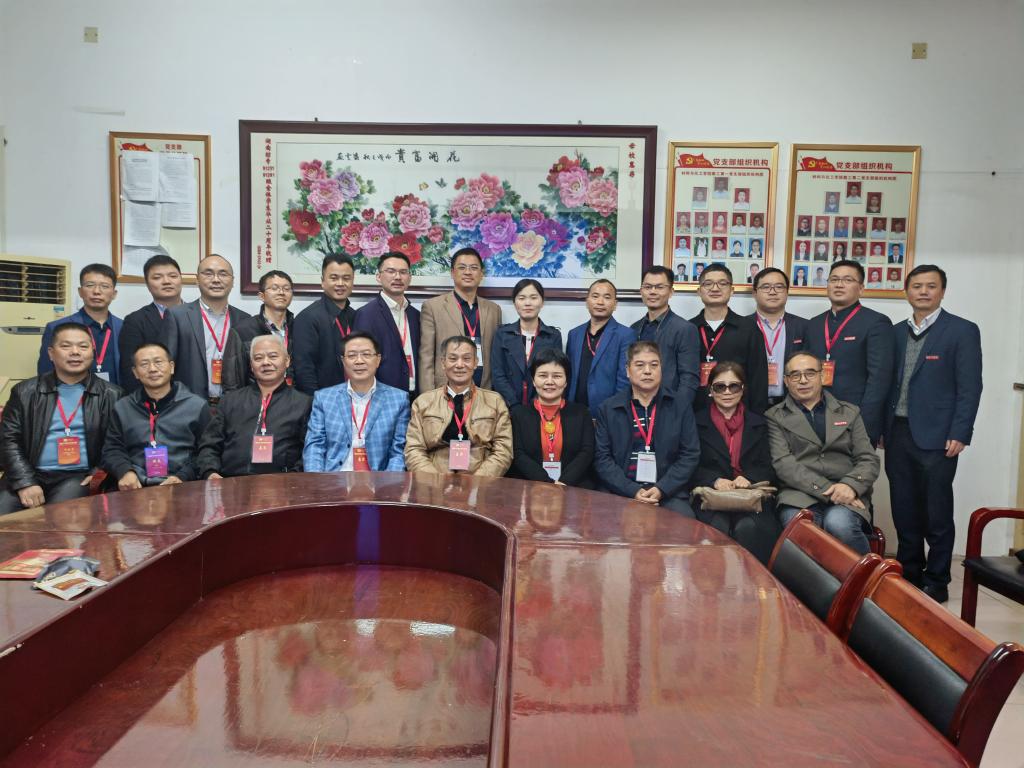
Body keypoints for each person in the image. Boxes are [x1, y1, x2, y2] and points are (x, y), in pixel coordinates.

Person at [884, 265, 982, 603]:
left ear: (942, 291)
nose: (923, 292)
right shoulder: (895, 333)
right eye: (917, 286)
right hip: (897, 432)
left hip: (939, 436)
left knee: (936, 511)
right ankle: (910, 573)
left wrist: (961, 431)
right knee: (904, 508)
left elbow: (970, 387)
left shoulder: (961, 331)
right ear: (906, 291)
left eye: (931, 286)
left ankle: (937, 579)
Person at [766, 351, 880, 554]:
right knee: (802, 527)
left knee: (839, 524)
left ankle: (867, 575)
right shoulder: (774, 417)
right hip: (798, 494)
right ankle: (806, 579)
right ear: (786, 381)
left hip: (847, 491)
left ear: (822, 376)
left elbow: (868, 459)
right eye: (795, 375)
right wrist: (829, 490)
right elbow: (784, 465)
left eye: (810, 373)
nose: (803, 380)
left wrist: (850, 486)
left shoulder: (849, 412)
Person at [0, 323, 122, 513]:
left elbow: (116, 442)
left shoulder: (112, 395)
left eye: (83, 346)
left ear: (92, 352)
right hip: (27, 472)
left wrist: (98, 471)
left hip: (77, 476)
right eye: (66, 346)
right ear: (51, 353)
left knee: (59, 518)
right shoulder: (25, 392)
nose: (75, 352)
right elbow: (8, 439)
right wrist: (25, 482)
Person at [594, 341, 700, 516]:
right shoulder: (609, 409)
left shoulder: (680, 406)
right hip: (620, 491)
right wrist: (633, 490)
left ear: (661, 369)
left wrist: (661, 489)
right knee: (601, 521)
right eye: (640, 365)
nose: (648, 371)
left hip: (667, 492)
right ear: (627, 370)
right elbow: (602, 459)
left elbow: (690, 454)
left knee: (685, 521)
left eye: (654, 365)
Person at [691, 362, 779, 563]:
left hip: (750, 496)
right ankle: (712, 580)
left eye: (734, 386)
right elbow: (689, 463)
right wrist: (714, 480)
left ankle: (752, 580)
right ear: (711, 390)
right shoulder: (695, 422)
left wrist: (748, 478)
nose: (727, 392)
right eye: (720, 386)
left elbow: (768, 467)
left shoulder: (759, 423)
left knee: (748, 529)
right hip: (711, 496)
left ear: (743, 389)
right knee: (716, 528)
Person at [196, 335, 312, 478]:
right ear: (251, 365)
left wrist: (291, 480)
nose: (266, 362)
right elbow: (209, 445)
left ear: (287, 361)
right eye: (258, 358)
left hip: (281, 485)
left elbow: (309, 453)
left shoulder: (303, 404)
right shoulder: (230, 401)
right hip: (231, 484)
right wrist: (210, 472)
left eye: (273, 356)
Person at [804, 260, 894, 444]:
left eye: (847, 280)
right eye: (834, 279)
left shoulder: (876, 323)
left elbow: (879, 380)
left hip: (855, 421)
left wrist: (863, 425)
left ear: (861, 288)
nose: (839, 284)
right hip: (814, 418)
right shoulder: (814, 323)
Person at [103, 342, 211, 488]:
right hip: (136, 487)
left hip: (182, 485)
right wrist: (125, 471)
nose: (152, 369)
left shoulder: (196, 406)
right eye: (144, 364)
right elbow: (112, 449)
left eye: (158, 362)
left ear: (171, 367)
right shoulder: (123, 407)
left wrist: (183, 476)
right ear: (135, 372)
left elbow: (206, 451)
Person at [303, 332, 410, 472]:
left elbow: (399, 451)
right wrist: (317, 481)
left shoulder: (398, 399)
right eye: (352, 355)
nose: (359, 361)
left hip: (379, 480)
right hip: (333, 479)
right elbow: (315, 446)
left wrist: (388, 483)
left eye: (366, 354)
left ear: (378, 360)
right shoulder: (324, 398)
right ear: (343, 361)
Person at [405, 335, 512, 475]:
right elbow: (413, 449)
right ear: (443, 363)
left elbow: (503, 451)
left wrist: (477, 481)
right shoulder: (423, 402)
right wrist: (436, 481)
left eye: (467, 359)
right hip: (434, 481)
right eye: (453, 359)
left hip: (480, 482)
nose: (460, 365)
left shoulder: (494, 401)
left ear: (475, 363)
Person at [164, 254, 250, 404]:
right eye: (208, 273)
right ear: (197, 279)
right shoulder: (177, 316)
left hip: (234, 406)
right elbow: (166, 365)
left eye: (223, 274)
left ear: (232, 281)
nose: (216, 279)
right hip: (189, 405)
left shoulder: (244, 319)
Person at [509, 348, 595, 487]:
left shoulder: (581, 413)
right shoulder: (519, 414)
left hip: (572, 488)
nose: (549, 381)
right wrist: (547, 483)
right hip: (530, 487)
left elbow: (586, 452)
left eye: (557, 376)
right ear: (533, 380)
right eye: (543, 375)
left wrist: (562, 483)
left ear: (566, 381)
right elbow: (518, 454)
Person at [689, 263, 768, 413]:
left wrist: (756, 418)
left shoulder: (749, 329)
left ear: (732, 290)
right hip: (695, 414)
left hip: (739, 415)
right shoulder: (687, 329)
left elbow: (758, 379)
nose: (715, 288)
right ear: (699, 291)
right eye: (708, 284)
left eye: (722, 283)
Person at [419, 247, 502, 390]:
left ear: (481, 274)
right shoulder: (433, 307)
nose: (468, 272)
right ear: (452, 273)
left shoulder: (494, 309)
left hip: (484, 389)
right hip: (445, 389)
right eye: (462, 267)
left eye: (474, 268)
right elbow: (426, 356)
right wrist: (427, 396)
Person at [38, 264, 123, 386]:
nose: (96, 291)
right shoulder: (56, 327)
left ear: (114, 294)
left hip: (117, 395)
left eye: (104, 286)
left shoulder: (124, 327)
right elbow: (46, 373)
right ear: (80, 291)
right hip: (71, 395)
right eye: (90, 285)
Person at [353, 252, 421, 395]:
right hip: (382, 397)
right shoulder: (366, 314)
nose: (398, 277)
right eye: (391, 271)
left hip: (415, 395)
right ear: (378, 277)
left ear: (410, 278)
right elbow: (362, 361)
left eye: (403, 272)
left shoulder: (416, 315)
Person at [631, 266, 700, 407]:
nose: (653, 291)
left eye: (659, 287)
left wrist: (678, 410)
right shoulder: (634, 328)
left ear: (671, 292)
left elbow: (689, 378)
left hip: (669, 406)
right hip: (637, 406)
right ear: (641, 291)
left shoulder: (685, 329)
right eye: (648, 287)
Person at [567, 279, 637, 415]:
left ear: (615, 304)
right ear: (587, 302)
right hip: (574, 411)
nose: (600, 302)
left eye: (607, 297)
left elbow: (625, 380)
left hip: (607, 412)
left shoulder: (626, 335)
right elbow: (568, 375)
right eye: (595, 296)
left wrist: (614, 412)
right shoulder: (574, 334)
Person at [491, 279, 563, 408]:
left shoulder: (553, 336)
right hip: (507, 405)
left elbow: (555, 373)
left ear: (542, 302)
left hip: (541, 406)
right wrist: (514, 405)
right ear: (515, 303)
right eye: (522, 298)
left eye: (533, 298)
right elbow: (498, 374)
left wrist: (536, 405)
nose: (528, 303)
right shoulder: (502, 334)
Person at [292, 254, 358, 394]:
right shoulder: (308, 318)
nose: (340, 283)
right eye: (334, 278)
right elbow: (304, 369)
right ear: (322, 281)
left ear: (353, 281)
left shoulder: (355, 316)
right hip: (323, 399)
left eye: (346, 278)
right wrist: (317, 401)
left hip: (355, 396)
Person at [118, 254, 184, 393]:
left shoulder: (197, 315)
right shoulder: (135, 321)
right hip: (151, 397)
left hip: (192, 396)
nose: (166, 281)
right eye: (157, 277)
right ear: (148, 285)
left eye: (173, 276)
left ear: (181, 280)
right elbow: (130, 369)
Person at [223, 269, 295, 391]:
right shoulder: (242, 331)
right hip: (255, 398)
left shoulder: (300, 328)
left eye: (286, 289)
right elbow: (232, 381)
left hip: (292, 399)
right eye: (274, 288)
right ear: (261, 296)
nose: (281, 292)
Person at [749, 267, 808, 407]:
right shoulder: (742, 326)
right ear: (754, 293)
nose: (773, 291)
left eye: (779, 287)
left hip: (793, 404)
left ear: (787, 292)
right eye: (766, 287)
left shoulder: (805, 327)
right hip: (751, 404)